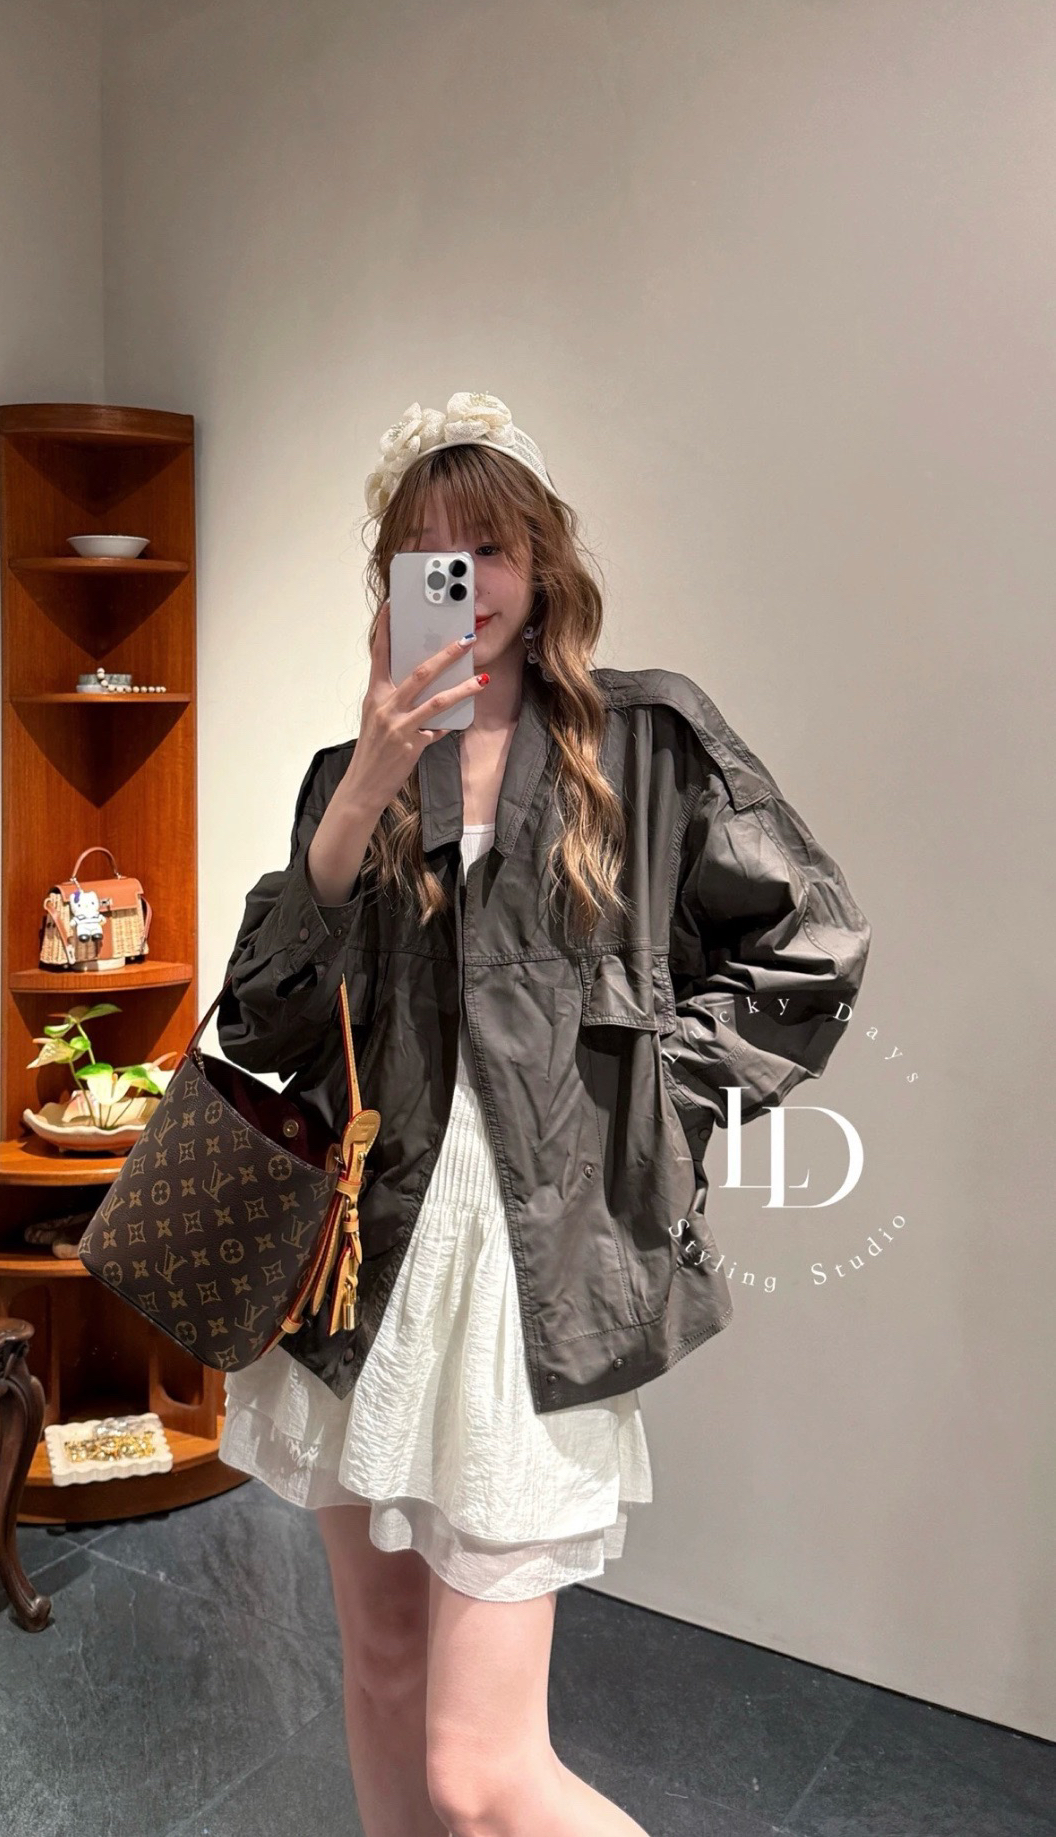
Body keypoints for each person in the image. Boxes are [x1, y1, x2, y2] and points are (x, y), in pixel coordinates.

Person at [213, 391, 872, 1837]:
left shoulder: (642, 738)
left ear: (542, 561)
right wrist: (366, 782)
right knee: (381, 1671)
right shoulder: (347, 778)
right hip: (364, 1265)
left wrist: (650, 1107)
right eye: (427, 553)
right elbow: (259, 1021)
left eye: (490, 547)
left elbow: (809, 944)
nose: (464, 579)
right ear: (390, 578)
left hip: (530, 1266)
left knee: (481, 1772)